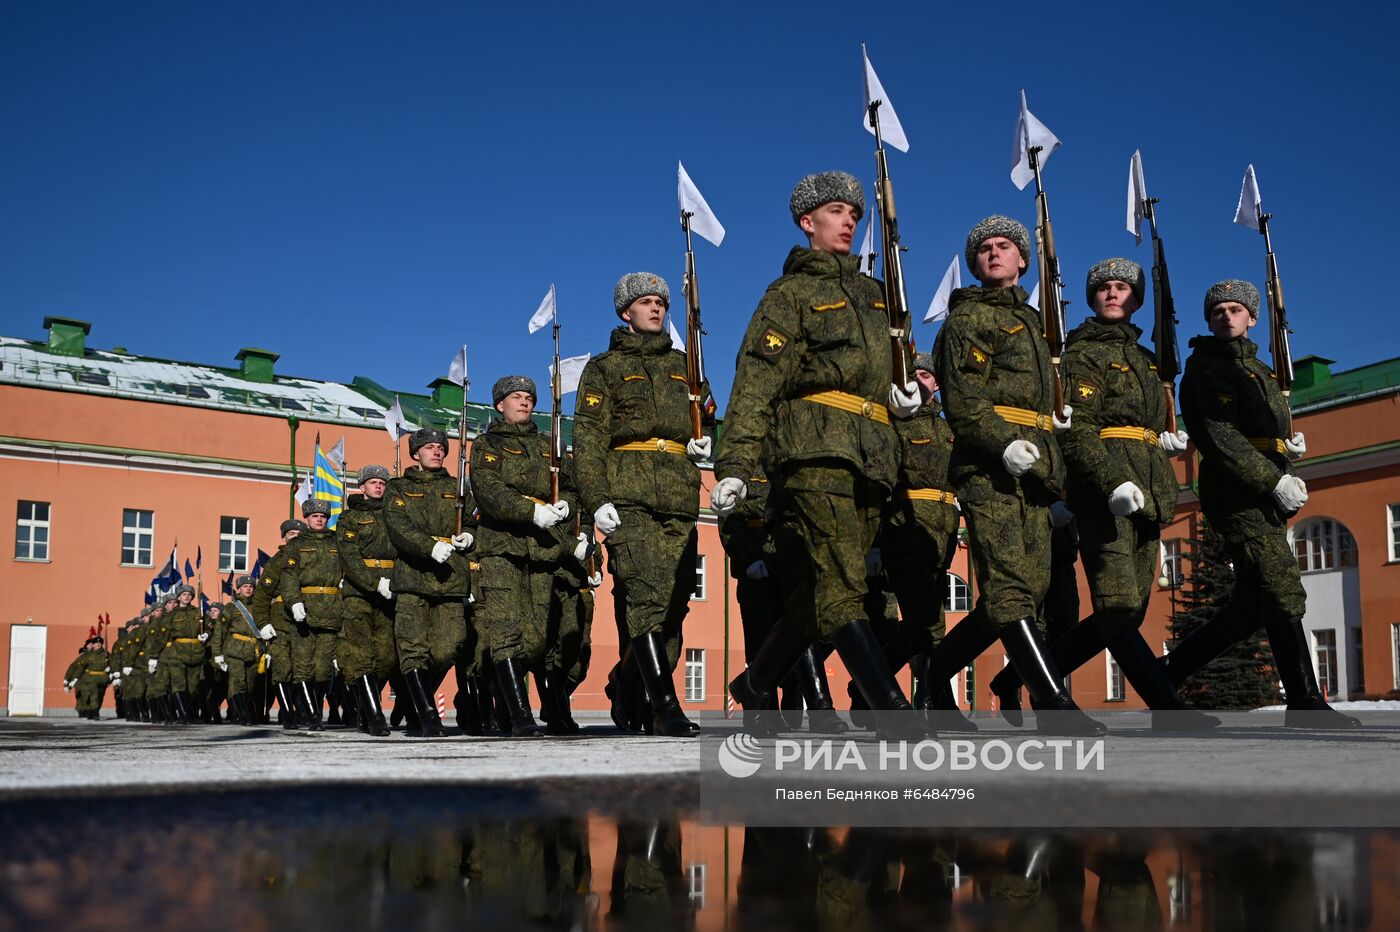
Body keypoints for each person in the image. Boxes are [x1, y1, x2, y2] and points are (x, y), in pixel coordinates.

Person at [713, 170, 925, 739]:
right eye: (837, 211)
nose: (850, 220)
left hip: (871, 460)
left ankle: (755, 684)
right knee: (840, 587)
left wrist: (902, 398)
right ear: (808, 222)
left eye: (855, 212)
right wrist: (733, 464)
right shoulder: (791, 294)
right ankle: (889, 708)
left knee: (814, 596)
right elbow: (756, 380)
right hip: (813, 456)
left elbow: (885, 373)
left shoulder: (876, 297)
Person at [986, 258, 1218, 729]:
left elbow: (1146, 425)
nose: (1113, 294)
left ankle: (1019, 676)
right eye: (1104, 288)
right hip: (1104, 495)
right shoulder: (1082, 354)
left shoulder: (1149, 361)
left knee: (1127, 612)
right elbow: (1078, 432)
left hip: (1150, 492)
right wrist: (1111, 482)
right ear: (1093, 298)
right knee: (1114, 606)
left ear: (1136, 299)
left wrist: (1163, 439)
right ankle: (1166, 707)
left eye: (1122, 288)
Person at [929, 215, 1102, 735]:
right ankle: (1052, 702)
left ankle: (931, 677)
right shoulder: (968, 321)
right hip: (990, 468)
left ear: (1024, 259)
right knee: (1008, 587)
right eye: (984, 248)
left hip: (1038, 472)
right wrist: (1004, 444)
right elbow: (963, 400)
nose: (994, 253)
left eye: (1005, 246)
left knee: (1022, 590)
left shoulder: (1036, 324)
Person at [1166, 279, 1359, 728]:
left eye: (1235, 309)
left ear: (1252, 318)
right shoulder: (1206, 369)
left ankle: (1164, 674)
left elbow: (1260, 429)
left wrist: (1285, 447)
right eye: (1217, 311)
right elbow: (1220, 438)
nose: (1226, 316)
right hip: (1236, 493)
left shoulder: (1262, 371)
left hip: (1265, 489)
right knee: (1280, 583)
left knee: (1249, 609)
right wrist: (1273, 479)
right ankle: (1305, 703)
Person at [573, 272, 715, 737]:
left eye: (660, 302)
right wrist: (596, 499)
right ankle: (665, 705)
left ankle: (623, 682)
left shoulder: (686, 365)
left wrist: (705, 444)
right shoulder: (605, 368)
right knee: (644, 598)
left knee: (673, 608)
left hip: (678, 495)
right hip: (628, 496)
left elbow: (709, 419)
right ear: (625, 312)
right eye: (646, 302)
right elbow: (588, 439)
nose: (656, 308)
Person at [471, 375, 585, 736]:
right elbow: (488, 489)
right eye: (515, 397)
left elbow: (568, 483)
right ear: (500, 405)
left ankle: (498, 693)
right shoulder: (487, 444)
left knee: (536, 639)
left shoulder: (547, 445)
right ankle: (521, 714)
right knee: (505, 629)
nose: (524, 401)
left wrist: (566, 503)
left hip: (542, 548)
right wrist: (530, 511)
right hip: (501, 546)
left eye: (528, 397)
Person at [881, 353, 977, 731]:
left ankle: (868, 683)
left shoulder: (948, 429)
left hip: (943, 533)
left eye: (925, 375)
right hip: (905, 529)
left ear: (937, 383)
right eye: (913, 375)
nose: (919, 381)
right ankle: (938, 701)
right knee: (928, 622)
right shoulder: (894, 425)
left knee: (920, 622)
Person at [718, 461, 846, 733]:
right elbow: (728, 518)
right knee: (760, 638)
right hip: (759, 561)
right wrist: (747, 558)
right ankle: (763, 713)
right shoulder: (745, 460)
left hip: (794, 554)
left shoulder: (793, 457)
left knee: (806, 626)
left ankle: (820, 705)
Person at [384, 426, 476, 738]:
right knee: (413, 649)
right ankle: (426, 717)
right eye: (428, 447)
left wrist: (469, 536)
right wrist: (429, 547)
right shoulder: (398, 488)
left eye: (440, 447)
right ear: (415, 453)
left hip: (450, 577)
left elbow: (473, 521)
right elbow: (397, 526)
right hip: (413, 576)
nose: (436, 451)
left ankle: (411, 696)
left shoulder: (457, 487)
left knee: (448, 649)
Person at [337, 465, 399, 737]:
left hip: (392, 590)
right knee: (362, 655)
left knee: (386, 658)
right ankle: (375, 716)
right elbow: (349, 557)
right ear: (361, 487)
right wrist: (374, 583)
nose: (378, 487)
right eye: (372, 482)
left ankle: (364, 706)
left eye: (382, 483)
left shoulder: (395, 515)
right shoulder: (349, 518)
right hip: (359, 593)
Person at [282, 498, 344, 731]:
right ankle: (312, 714)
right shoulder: (296, 545)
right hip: (304, 612)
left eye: (323, 516)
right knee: (303, 667)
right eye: (315, 516)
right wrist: (294, 602)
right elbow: (288, 577)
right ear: (307, 519)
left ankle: (314, 707)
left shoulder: (337, 542)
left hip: (330, 610)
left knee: (323, 669)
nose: (319, 519)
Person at [251, 518, 308, 729]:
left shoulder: (310, 557)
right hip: (281, 622)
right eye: (291, 533)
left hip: (307, 620)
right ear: (283, 537)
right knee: (283, 669)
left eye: (299, 533)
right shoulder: (277, 561)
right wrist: (263, 623)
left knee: (305, 670)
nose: (295, 536)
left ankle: (303, 710)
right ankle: (288, 713)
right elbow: (262, 596)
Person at [217, 576, 263, 726]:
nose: (248, 589)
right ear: (239, 589)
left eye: (250, 586)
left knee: (250, 685)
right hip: (235, 650)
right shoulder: (231, 607)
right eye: (245, 586)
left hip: (253, 650)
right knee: (238, 682)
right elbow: (220, 631)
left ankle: (238, 713)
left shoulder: (259, 606)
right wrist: (217, 654)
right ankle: (243, 716)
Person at [63, 631, 110, 719]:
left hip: (103, 679)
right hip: (91, 679)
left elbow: (113, 664)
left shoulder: (106, 655)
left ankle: (94, 711)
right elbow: (79, 667)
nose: (98, 645)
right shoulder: (88, 655)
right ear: (94, 645)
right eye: (96, 643)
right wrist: (74, 679)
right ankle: (95, 712)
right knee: (94, 694)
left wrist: (110, 670)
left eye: (100, 643)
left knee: (100, 696)